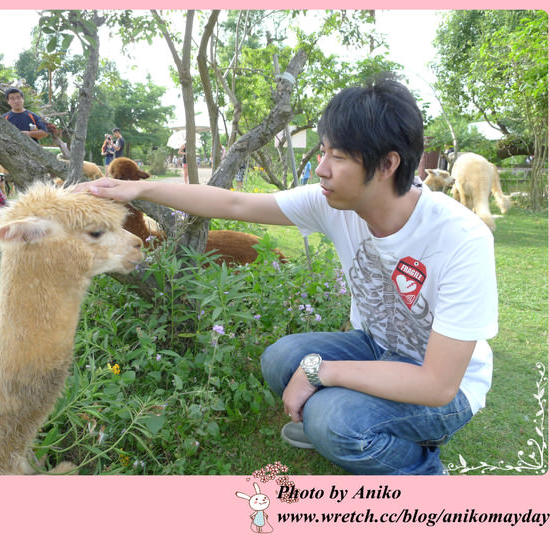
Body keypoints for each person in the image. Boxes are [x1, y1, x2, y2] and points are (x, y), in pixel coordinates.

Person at [74, 75, 498, 475]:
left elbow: (438, 384)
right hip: (376, 346)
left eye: (339, 157)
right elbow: (235, 205)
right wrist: (138, 190)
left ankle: (417, 466)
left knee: (334, 422)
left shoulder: (460, 237)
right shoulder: (333, 201)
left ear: (388, 164)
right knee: (280, 359)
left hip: (448, 386)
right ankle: (347, 420)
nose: (322, 169)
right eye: (323, 151)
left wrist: (320, 372)